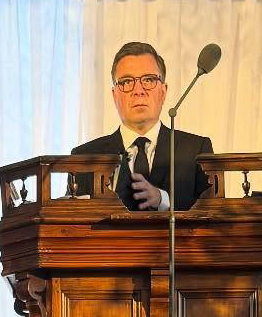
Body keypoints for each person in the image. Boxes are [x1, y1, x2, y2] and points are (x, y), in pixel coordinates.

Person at [71, 41, 213, 212]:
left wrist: (163, 200)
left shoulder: (196, 150)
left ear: (163, 92)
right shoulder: (85, 156)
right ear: (115, 95)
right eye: (127, 82)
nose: (138, 91)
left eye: (148, 80)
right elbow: (74, 220)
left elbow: (211, 216)